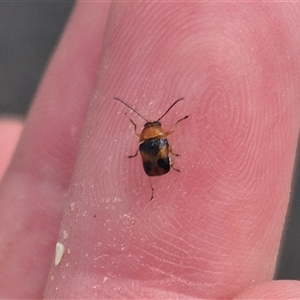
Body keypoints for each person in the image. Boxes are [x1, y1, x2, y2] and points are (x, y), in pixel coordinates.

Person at [0, 2, 300, 299]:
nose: (156, 127)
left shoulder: (145, 141)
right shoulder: (155, 140)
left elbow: (150, 140)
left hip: (155, 166)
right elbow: (164, 140)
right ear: (154, 134)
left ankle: (160, 178)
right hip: (160, 165)